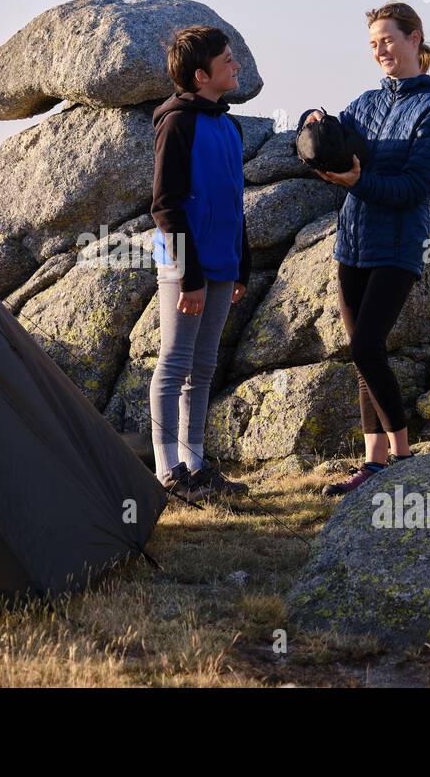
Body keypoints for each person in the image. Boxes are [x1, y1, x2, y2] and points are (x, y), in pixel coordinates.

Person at [302, 1, 430, 496]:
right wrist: (314, 129)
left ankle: (405, 457)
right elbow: (329, 144)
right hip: (352, 243)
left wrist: (359, 181)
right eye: (373, 44)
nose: (380, 51)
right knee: (362, 354)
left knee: (367, 346)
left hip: (398, 247)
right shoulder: (365, 103)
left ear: (415, 39)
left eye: (388, 40)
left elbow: (413, 188)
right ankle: (373, 464)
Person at [148, 25, 252, 502]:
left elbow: (234, 203)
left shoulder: (229, 126)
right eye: (227, 60)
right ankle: (167, 471)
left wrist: (240, 268)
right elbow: (166, 205)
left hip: (221, 265)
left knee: (204, 365)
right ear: (199, 74)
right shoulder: (177, 123)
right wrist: (189, 276)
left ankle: (195, 464)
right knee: (174, 362)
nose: (235, 65)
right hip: (184, 265)